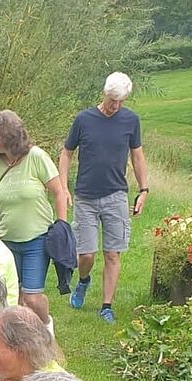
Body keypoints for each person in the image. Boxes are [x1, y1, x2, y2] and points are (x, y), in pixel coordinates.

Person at [59, 72, 149, 324]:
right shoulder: (84, 119)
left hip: (116, 196)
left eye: (120, 102)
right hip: (85, 196)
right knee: (86, 255)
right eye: (111, 100)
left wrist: (144, 190)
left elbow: (138, 157)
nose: (114, 106)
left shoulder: (130, 121)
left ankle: (106, 306)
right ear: (104, 94)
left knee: (113, 253)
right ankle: (84, 281)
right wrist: (64, 187)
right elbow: (66, 153)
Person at [0, 110, 68, 325]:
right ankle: (21, 337)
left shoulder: (36, 157)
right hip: (6, 240)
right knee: (12, 296)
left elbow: (58, 191)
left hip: (36, 239)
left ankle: (46, 327)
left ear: (13, 136)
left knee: (32, 296)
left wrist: (61, 223)